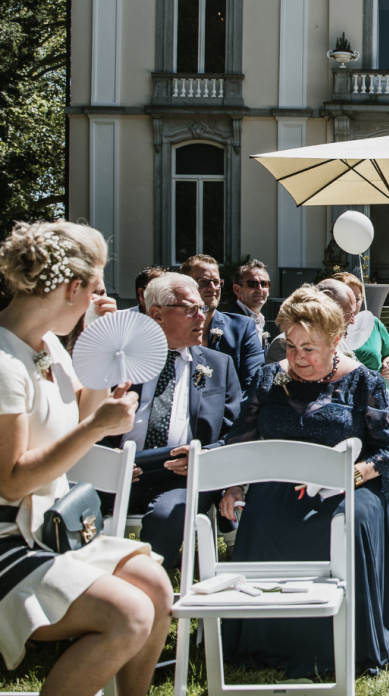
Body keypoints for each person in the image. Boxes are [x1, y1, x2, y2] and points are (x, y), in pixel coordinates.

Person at [207, 286, 389, 676]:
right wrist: (234, 486)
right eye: (291, 346)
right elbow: (240, 436)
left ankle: (346, 638)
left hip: (348, 485)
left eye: (309, 348)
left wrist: (354, 472)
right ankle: (267, 638)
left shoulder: (363, 382)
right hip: (282, 482)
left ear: (336, 340)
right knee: (264, 516)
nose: (297, 358)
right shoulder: (271, 378)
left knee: (349, 523)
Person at [0, 221, 172, 694]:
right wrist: (98, 428)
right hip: (10, 537)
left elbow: (79, 410)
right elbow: (12, 482)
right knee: (129, 614)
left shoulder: (49, 346)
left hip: (53, 527)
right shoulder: (4, 363)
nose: (100, 298)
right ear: (72, 288)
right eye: (95, 288)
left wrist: (100, 354)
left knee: (156, 589)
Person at [107, 273, 241, 571]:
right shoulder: (120, 361)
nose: (201, 317)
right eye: (190, 309)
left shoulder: (218, 366)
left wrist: (202, 455)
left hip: (185, 476)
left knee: (167, 514)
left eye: (203, 309)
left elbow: (235, 434)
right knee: (73, 501)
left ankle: (140, 595)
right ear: (156, 314)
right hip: (118, 472)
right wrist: (108, 458)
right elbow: (89, 419)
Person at [180, 254, 264, 390]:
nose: (212, 287)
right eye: (203, 282)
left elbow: (254, 386)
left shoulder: (242, 328)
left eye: (216, 282)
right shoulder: (172, 329)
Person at [332, 271, 389, 382]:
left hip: (374, 391)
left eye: (357, 299)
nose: (353, 303)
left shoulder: (373, 323)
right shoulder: (324, 328)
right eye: (347, 298)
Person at [231, 259, 271, 345]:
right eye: (253, 283)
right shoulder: (231, 322)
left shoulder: (260, 320)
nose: (260, 289)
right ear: (237, 289)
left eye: (264, 284)